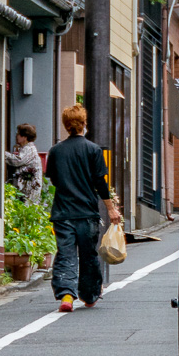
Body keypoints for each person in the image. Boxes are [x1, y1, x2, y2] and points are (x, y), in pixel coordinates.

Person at [45, 103, 121, 312]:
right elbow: (100, 183)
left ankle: (66, 296)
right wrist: (111, 209)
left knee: (65, 253)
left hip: (62, 212)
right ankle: (89, 295)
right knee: (88, 255)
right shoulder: (93, 150)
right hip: (87, 212)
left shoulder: (56, 151)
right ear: (83, 124)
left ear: (66, 125)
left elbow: (53, 179)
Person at [5, 122, 42, 203]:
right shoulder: (26, 148)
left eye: (18, 134)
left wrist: (2, 154)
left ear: (25, 137)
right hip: (26, 188)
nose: (16, 136)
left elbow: (18, 161)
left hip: (29, 190)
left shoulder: (29, 149)